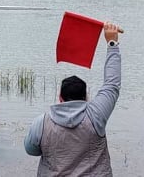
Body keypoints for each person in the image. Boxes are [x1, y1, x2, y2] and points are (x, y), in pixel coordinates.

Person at [24, 22, 122, 176]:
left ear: (60, 97)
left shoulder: (41, 123)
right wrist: (112, 43)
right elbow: (112, 84)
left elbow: (31, 150)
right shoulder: (96, 114)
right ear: (86, 97)